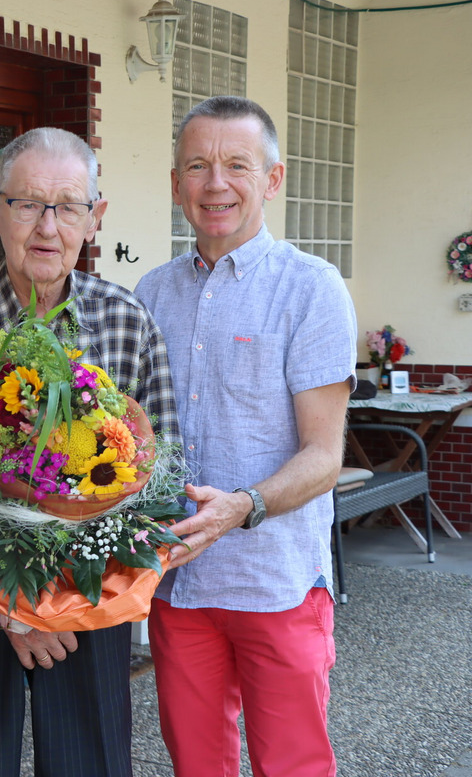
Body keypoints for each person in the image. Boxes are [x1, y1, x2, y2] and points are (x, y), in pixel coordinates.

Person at [0, 127, 179, 777]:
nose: (48, 226)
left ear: (94, 218)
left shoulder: (128, 322)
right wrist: (9, 606)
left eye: (68, 205)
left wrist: (75, 595)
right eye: (28, 204)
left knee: (89, 763)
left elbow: (161, 484)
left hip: (90, 601)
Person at [134, 95, 357, 776]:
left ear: (272, 178)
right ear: (175, 184)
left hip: (276, 583)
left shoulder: (311, 290)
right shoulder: (151, 293)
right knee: (195, 766)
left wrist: (243, 506)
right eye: (197, 166)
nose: (215, 183)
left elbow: (324, 455)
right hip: (181, 586)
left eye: (237, 164)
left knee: (291, 765)